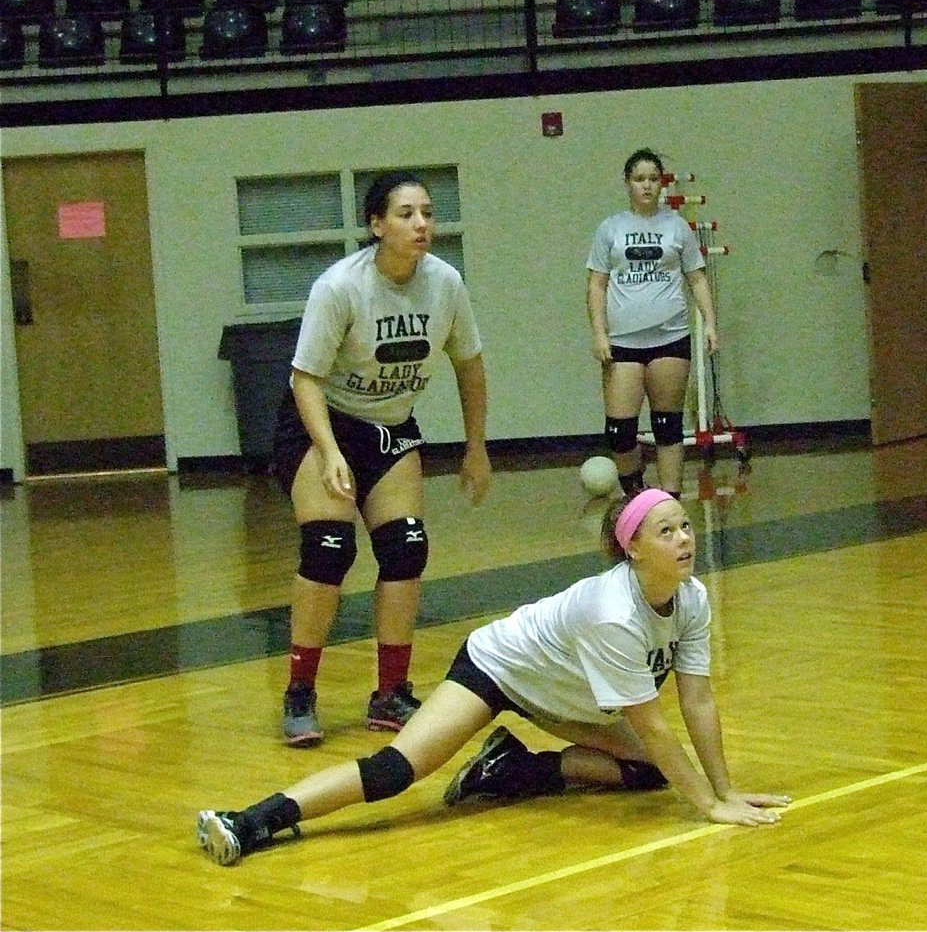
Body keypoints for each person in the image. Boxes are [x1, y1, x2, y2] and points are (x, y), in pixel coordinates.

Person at [197, 489, 790, 865]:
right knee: (397, 770)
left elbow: (698, 701)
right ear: (631, 548)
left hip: (560, 698)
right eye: (667, 531)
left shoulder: (690, 598)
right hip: (499, 666)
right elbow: (658, 729)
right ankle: (252, 821)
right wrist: (708, 808)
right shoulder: (614, 614)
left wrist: (724, 789)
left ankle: (514, 767)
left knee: (646, 774)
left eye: (685, 526)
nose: (685, 539)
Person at [271, 170, 491, 747]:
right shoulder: (341, 286)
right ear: (376, 225)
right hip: (322, 422)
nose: (421, 224)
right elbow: (305, 378)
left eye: (427, 212)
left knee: (406, 547)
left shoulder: (445, 284)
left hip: (390, 427)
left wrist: (476, 447)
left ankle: (390, 693)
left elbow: (469, 365)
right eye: (405, 214)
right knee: (329, 548)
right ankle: (299, 692)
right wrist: (329, 451)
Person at [586, 148, 719, 498]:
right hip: (624, 343)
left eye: (653, 179)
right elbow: (596, 284)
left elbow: (697, 278)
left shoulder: (676, 228)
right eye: (639, 179)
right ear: (627, 184)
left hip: (670, 338)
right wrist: (599, 333)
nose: (647, 186)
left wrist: (710, 323)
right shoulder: (610, 229)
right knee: (620, 431)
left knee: (667, 425)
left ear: (661, 184)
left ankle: (670, 501)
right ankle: (636, 496)